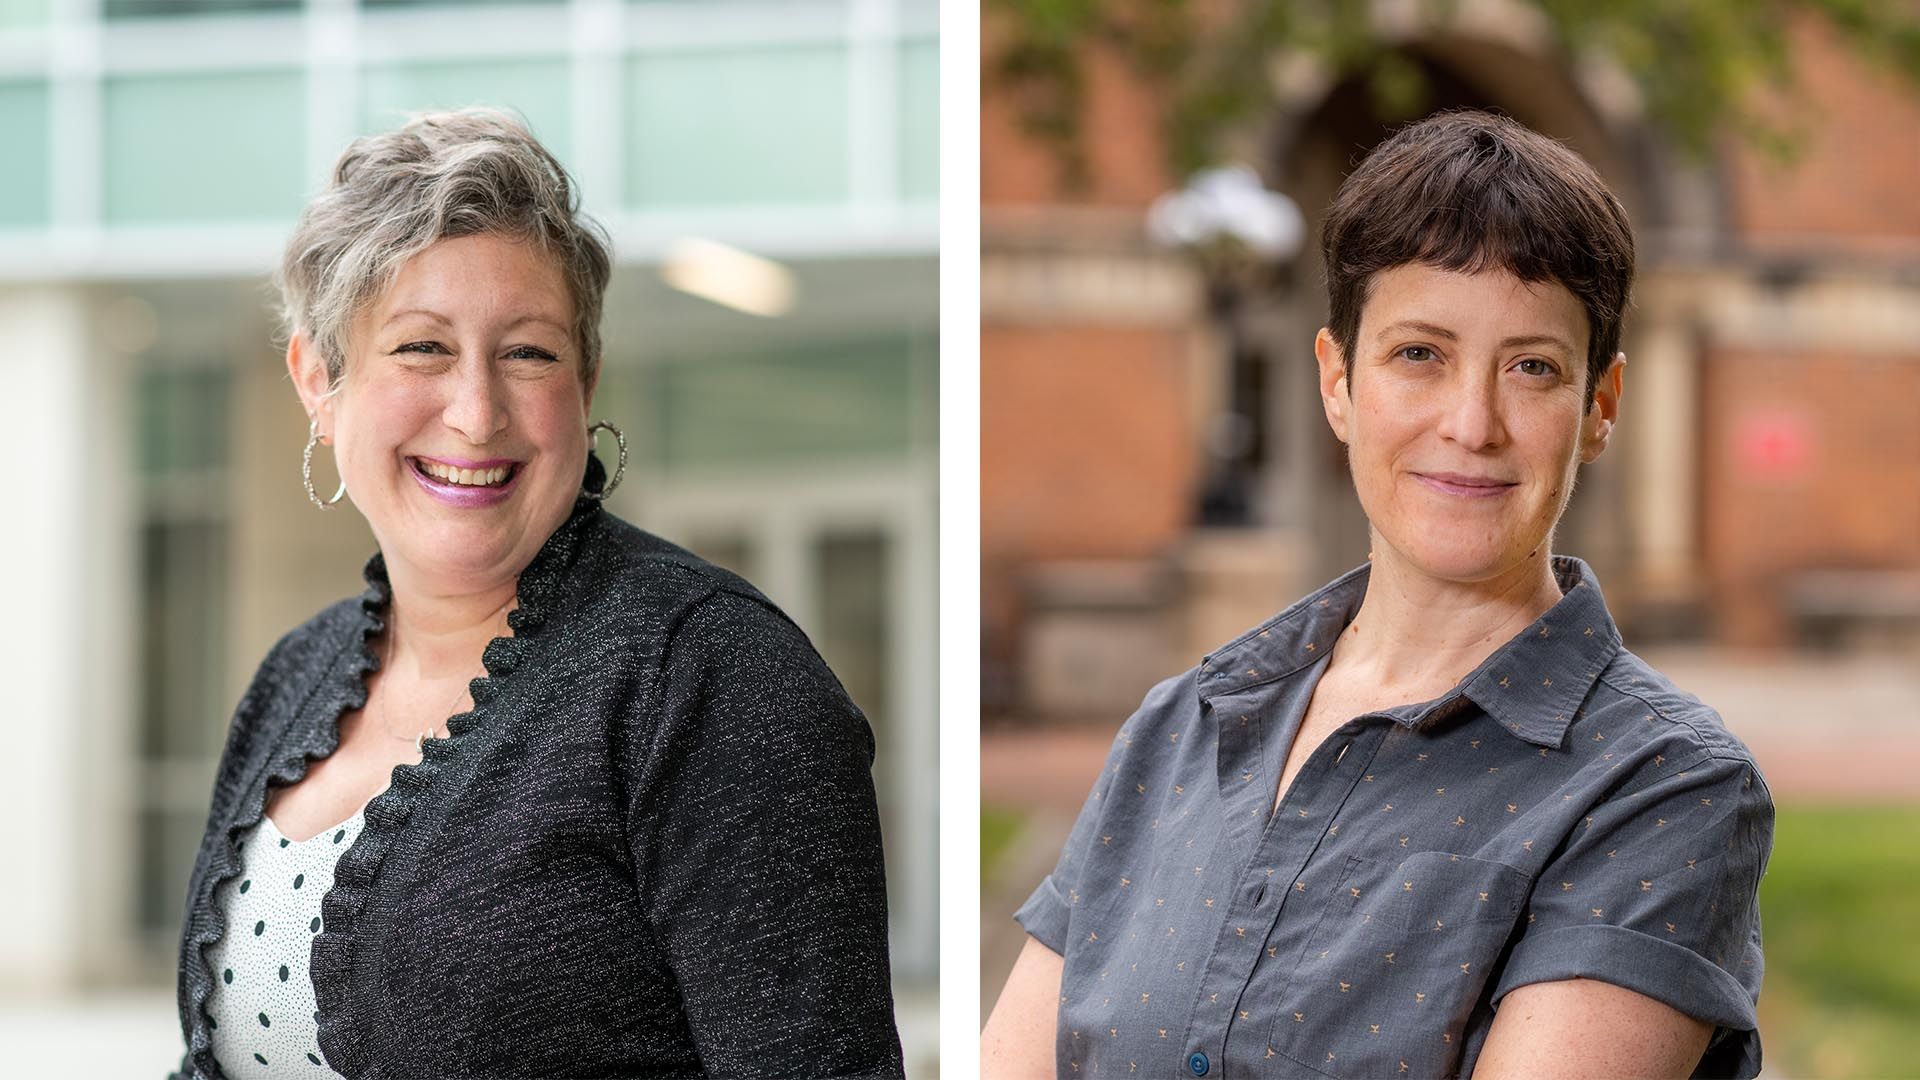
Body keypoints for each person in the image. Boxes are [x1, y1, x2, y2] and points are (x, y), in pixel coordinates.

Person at [982, 109, 1775, 1080]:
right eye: (1419, 354)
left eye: (1532, 368)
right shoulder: (1183, 728)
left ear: (1598, 409)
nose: (1471, 423)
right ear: (1337, 383)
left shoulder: (1663, 786)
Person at [169, 108, 903, 1080]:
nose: (477, 413)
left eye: (528, 352)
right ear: (319, 379)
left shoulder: (706, 677)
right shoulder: (296, 675)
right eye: (422, 348)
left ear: (587, 380)